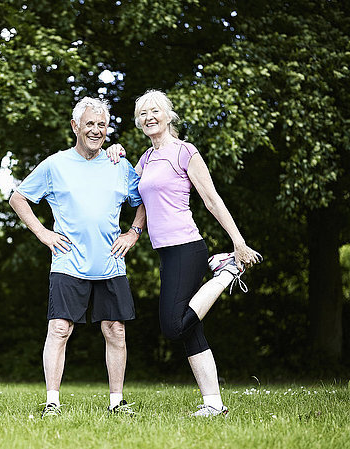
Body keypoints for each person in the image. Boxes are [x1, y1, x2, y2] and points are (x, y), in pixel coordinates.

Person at [106, 89, 262, 417]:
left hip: (187, 247)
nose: (149, 117)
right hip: (166, 251)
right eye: (142, 114)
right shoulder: (146, 159)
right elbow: (135, 196)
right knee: (191, 327)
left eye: (155, 111)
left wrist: (238, 240)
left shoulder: (184, 152)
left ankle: (227, 271)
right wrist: (115, 153)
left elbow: (211, 198)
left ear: (168, 115)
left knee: (173, 326)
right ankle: (214, 404)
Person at [9, 97, 146, 418]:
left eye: (102, 125)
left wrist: (134, 233)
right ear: (75, 127)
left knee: (115, 330)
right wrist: (43, 233)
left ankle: (117, 403)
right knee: (59, 329)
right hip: (68, 263)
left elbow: (144, 200)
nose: (96, 130)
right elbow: (18, 197)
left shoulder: (119, 165)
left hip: (111, 263)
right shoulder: (55, 164)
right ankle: (52, 403)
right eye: (90, 125)